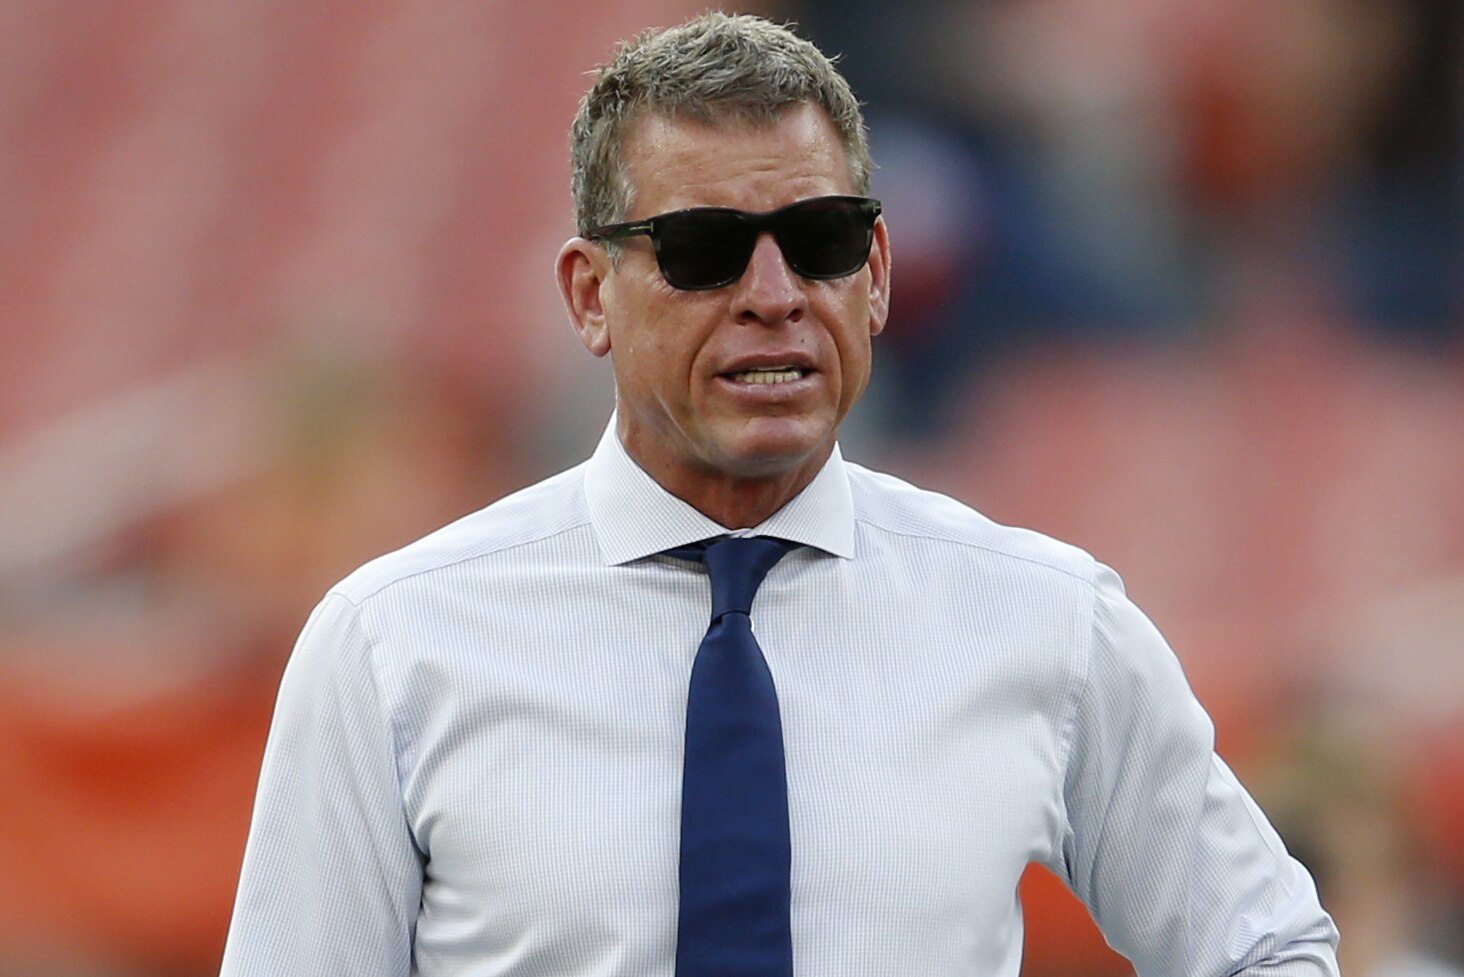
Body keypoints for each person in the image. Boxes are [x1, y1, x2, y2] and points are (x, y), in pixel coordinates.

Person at [219, 13, 1341, 977]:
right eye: (704, 249)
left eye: (820, 240)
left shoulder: (1048, 618)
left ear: (877, 274)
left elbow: (1267, 946)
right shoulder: (394, 644)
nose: (773, 294)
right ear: (590, 294)